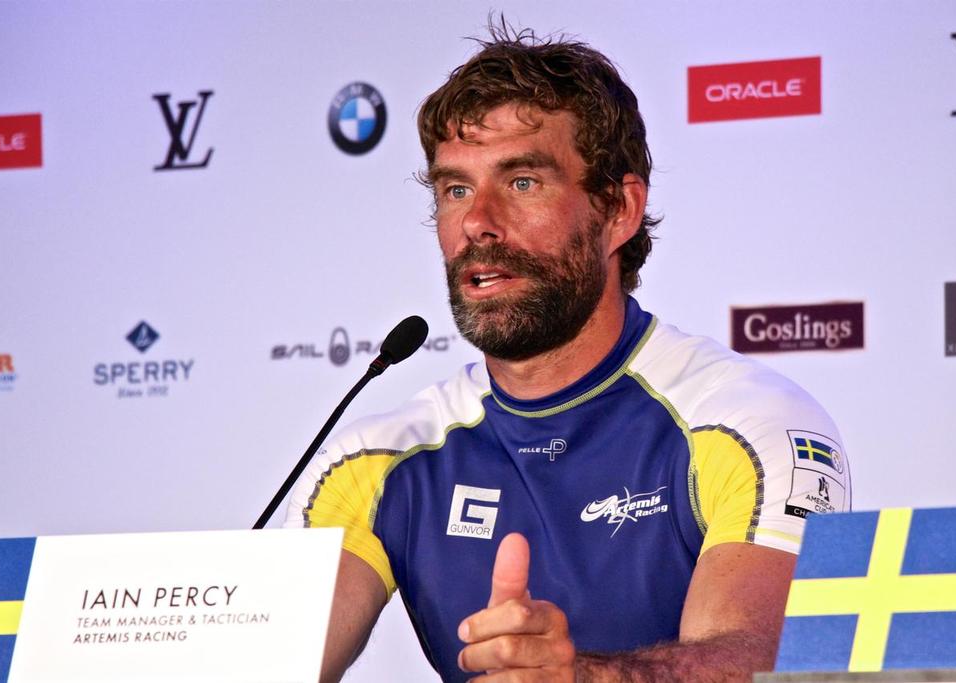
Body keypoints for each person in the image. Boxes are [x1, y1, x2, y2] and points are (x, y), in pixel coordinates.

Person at [284, 24, 851, 683]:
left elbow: (763, 661)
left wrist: (583, 677)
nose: (477, 222)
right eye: (455, 190)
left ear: (618, 210)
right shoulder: (377, 460)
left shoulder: (748, 423)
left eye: (522, 182)